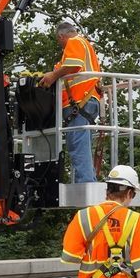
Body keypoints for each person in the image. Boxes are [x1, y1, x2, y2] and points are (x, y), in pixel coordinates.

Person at [38, 21, 102, 183]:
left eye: (59, 41)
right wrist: (52, 75)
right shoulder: (84, 46)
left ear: (61, 36)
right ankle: (88, 182)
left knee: (78, 147)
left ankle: (86, 184)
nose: (60, 45)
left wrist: (53, 76)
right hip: (85, 102)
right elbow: (66, 68)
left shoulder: (74, 42)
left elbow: (73, 66)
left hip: (79, 102)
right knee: (82, 146)